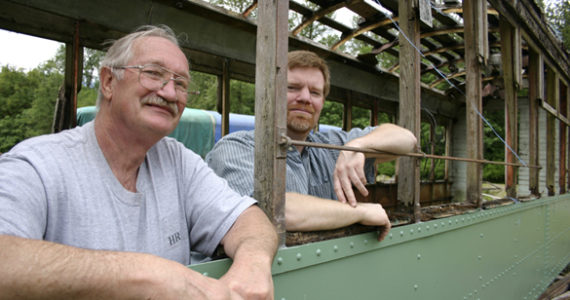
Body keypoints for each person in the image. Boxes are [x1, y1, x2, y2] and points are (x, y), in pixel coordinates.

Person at [0, 25, 277, 300]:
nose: (170, 93)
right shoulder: (36, 164)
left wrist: (253, 263)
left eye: (180, 83)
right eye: (153, 74)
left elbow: (247, 219)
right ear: (108, 82)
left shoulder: (177, 160)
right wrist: (151, 274)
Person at [206, 50, 417, 241]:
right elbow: (277, 209)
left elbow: (407, 140)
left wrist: (359, 146)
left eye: (315, 92)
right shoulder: (235, 148)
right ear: (271, 92)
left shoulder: (331, 145)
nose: (305, 98)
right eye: (292, 88)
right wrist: (360, 212)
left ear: (322, 102)